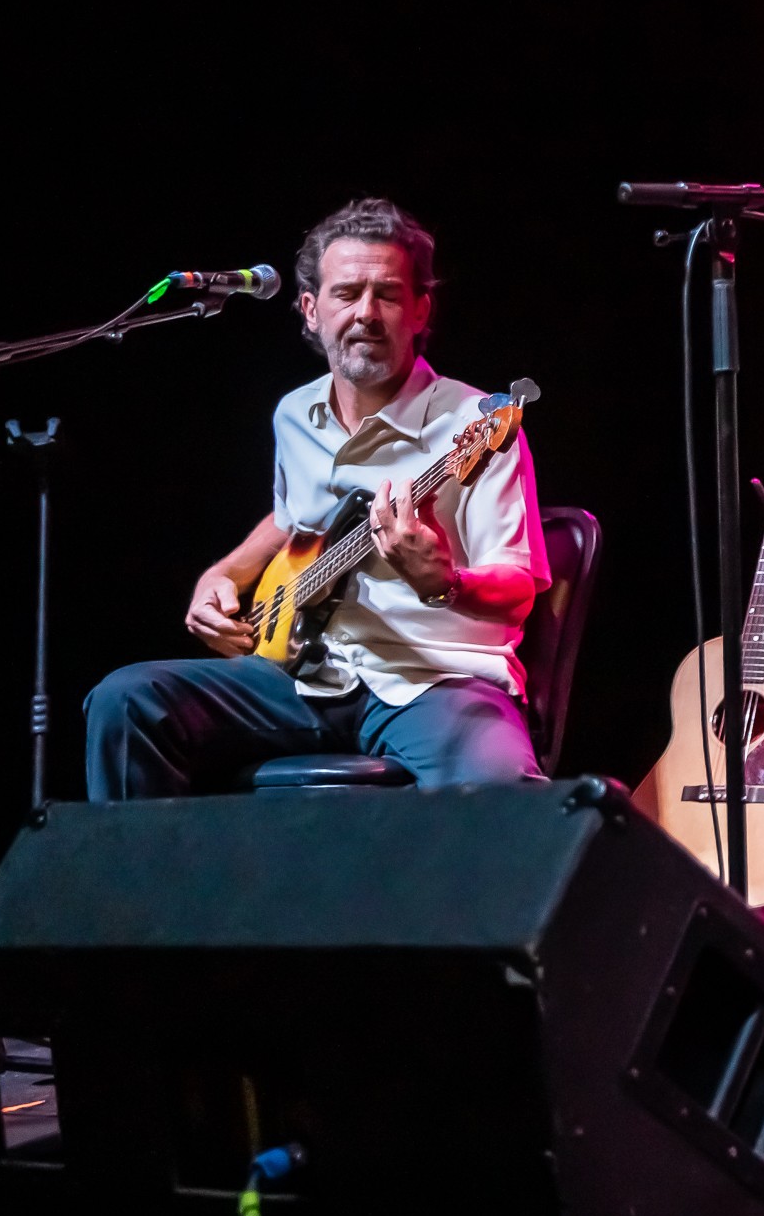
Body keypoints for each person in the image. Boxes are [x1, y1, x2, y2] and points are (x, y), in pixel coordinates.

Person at [85, 197, 550, 798]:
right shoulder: (294, 414)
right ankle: (148, 893)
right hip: (305, 673)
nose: (366, 313)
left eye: (387, 294)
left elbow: (516, 592)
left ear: (420, 309)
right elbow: (292, 522)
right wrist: (221, 575)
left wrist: (444, 582)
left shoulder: (477, 423)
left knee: (505, 792)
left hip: (431, 680)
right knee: (127, 703)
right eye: (346, 293)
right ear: (309, 309)